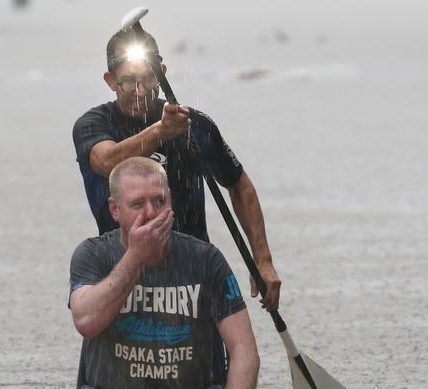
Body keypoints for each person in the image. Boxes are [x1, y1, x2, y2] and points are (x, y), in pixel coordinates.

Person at [0, 157, 309, 389]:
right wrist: (135, 257)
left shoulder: (205, 259)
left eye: (159, 201)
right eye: (137, 204)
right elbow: (86, 320)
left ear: (170, 203)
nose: (151, 212)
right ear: (115, 210)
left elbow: (244, 350)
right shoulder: (93, 255)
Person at [72, 26, 281, 313]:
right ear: (110, 81)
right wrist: (161, 131)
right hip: (122, 273)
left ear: (162, 72)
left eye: (148, 79)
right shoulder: (93, 125)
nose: (141, 91)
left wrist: (263, 259)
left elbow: (239, 185)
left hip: (192, 274)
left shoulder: (194, 125)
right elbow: (107, 162)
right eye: (128, 82)